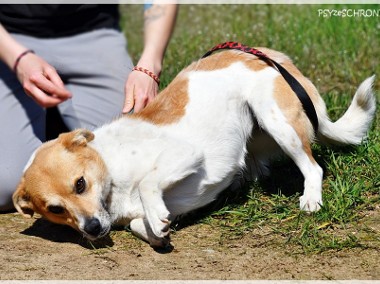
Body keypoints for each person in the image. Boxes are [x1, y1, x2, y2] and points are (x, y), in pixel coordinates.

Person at [0, 4, 178, 211]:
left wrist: (150, 66)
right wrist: (18, 59)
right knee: (6, 186)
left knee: (129, 173)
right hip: (10, 42)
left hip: (94, 34)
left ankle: (53, 119)